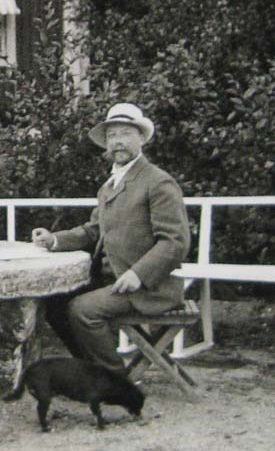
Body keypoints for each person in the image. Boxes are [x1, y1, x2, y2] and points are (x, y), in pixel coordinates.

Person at [31, 102, 191, 374]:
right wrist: (54, 240)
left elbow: (175, 242)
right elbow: (94, 231)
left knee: (83, 309)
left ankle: (116, 384)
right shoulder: (110, 184)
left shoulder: (157, 182)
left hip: (149, 288)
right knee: (54, 301)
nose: (117, 142)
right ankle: (93, 372)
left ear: (141, 138)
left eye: (125, 134)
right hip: (113, 279)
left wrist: (138, 274)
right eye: (112, 136)